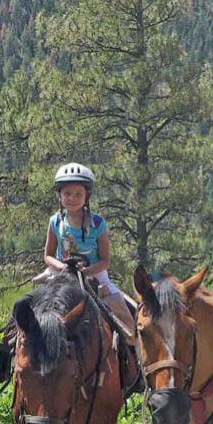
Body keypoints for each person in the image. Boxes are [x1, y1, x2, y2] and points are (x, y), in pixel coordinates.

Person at [35, 163, 139, 393]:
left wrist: (86, 271)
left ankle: (134, 363)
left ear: (87, 196)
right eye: (67, 194)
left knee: (125, 310)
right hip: (62, 273)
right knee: (28, 308)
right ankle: (7, 356)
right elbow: (48, 255)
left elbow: (105, 260)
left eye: (78, 194)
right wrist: (63, 268)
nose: (72, 198)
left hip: (94, 273)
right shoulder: (55, 222)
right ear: (59, 195)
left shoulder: (98, 224)